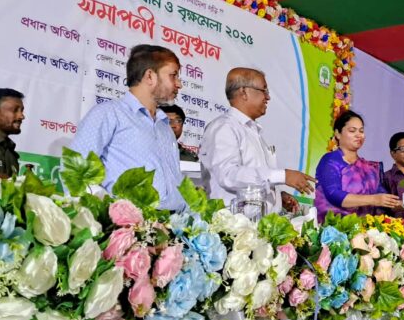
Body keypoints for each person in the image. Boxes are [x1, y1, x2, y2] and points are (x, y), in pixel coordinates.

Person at [70, 44, 186, 211]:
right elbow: (75, 172)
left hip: (174, 223)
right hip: (130, 223)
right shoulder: (108, 113)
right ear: (150, 76)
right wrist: (111, 214)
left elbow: (176, 183)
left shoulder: (164, 126)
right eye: (173, 76)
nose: (179, 84)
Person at [199, 67, 315, 212]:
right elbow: (228, 175)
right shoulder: (224, 128)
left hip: (258, 222)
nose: (268, 97)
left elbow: (255, 179)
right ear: (244, 92)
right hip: (233, 223)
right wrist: (283, 175)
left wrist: (277, 196)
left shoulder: (252, 131)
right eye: (264, 90)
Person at [314, 110, 401, 223]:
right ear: (338, 134)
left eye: (361, 131)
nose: (358, 135)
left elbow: (382, 198)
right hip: (335, 229)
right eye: (352, 130)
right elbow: (334, 195)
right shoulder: (330, 160)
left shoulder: (370, 169)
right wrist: (374, 199)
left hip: (366, 230)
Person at [383, 131, 404, 220]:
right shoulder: (386, 178)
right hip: (397, 227)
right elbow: (383, 207)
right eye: (403, 149)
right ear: (393, 153)